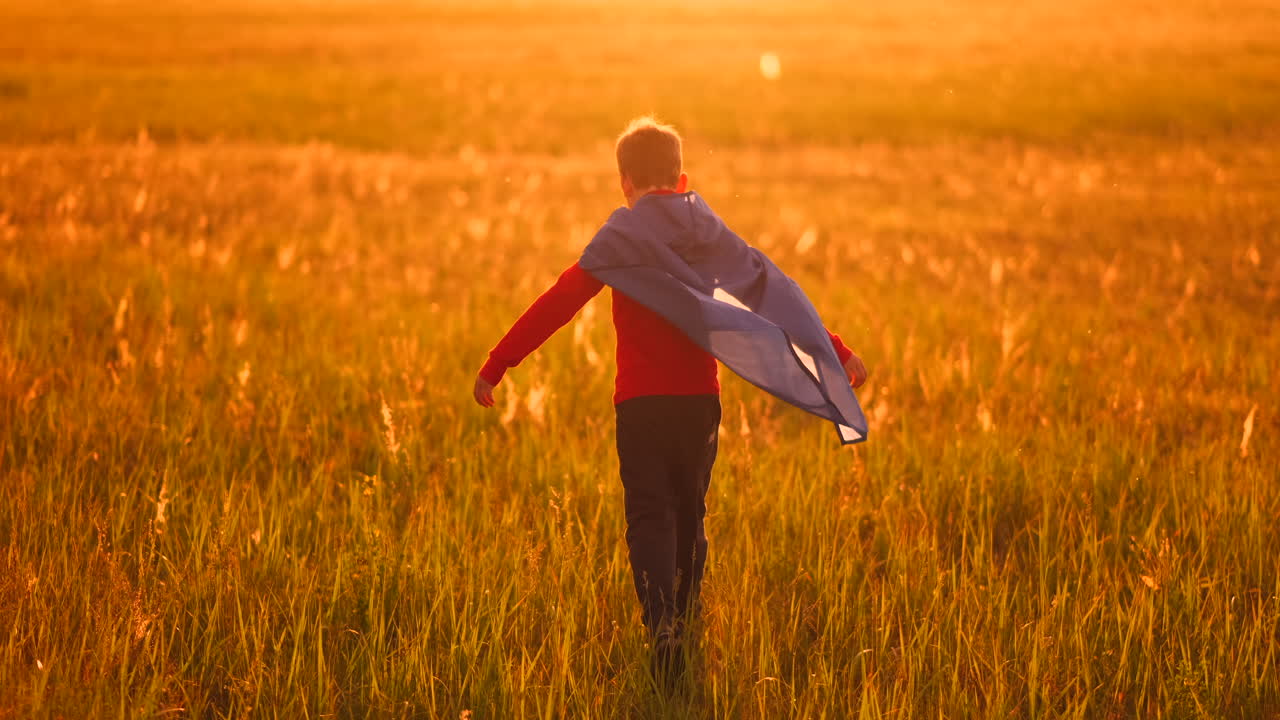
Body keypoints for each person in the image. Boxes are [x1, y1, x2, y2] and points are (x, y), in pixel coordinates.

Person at [473, 116, 868, 687]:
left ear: (624, 183)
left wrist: (499, 363)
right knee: (690, 511)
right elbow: (768, 287)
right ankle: (685, 616)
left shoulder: (619, 236)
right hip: (699, 402)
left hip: (639, 406)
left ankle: (663, 626)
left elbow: (558, 301)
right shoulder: (705, 230)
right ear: (682, 178)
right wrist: (835, 350)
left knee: (648, 514)